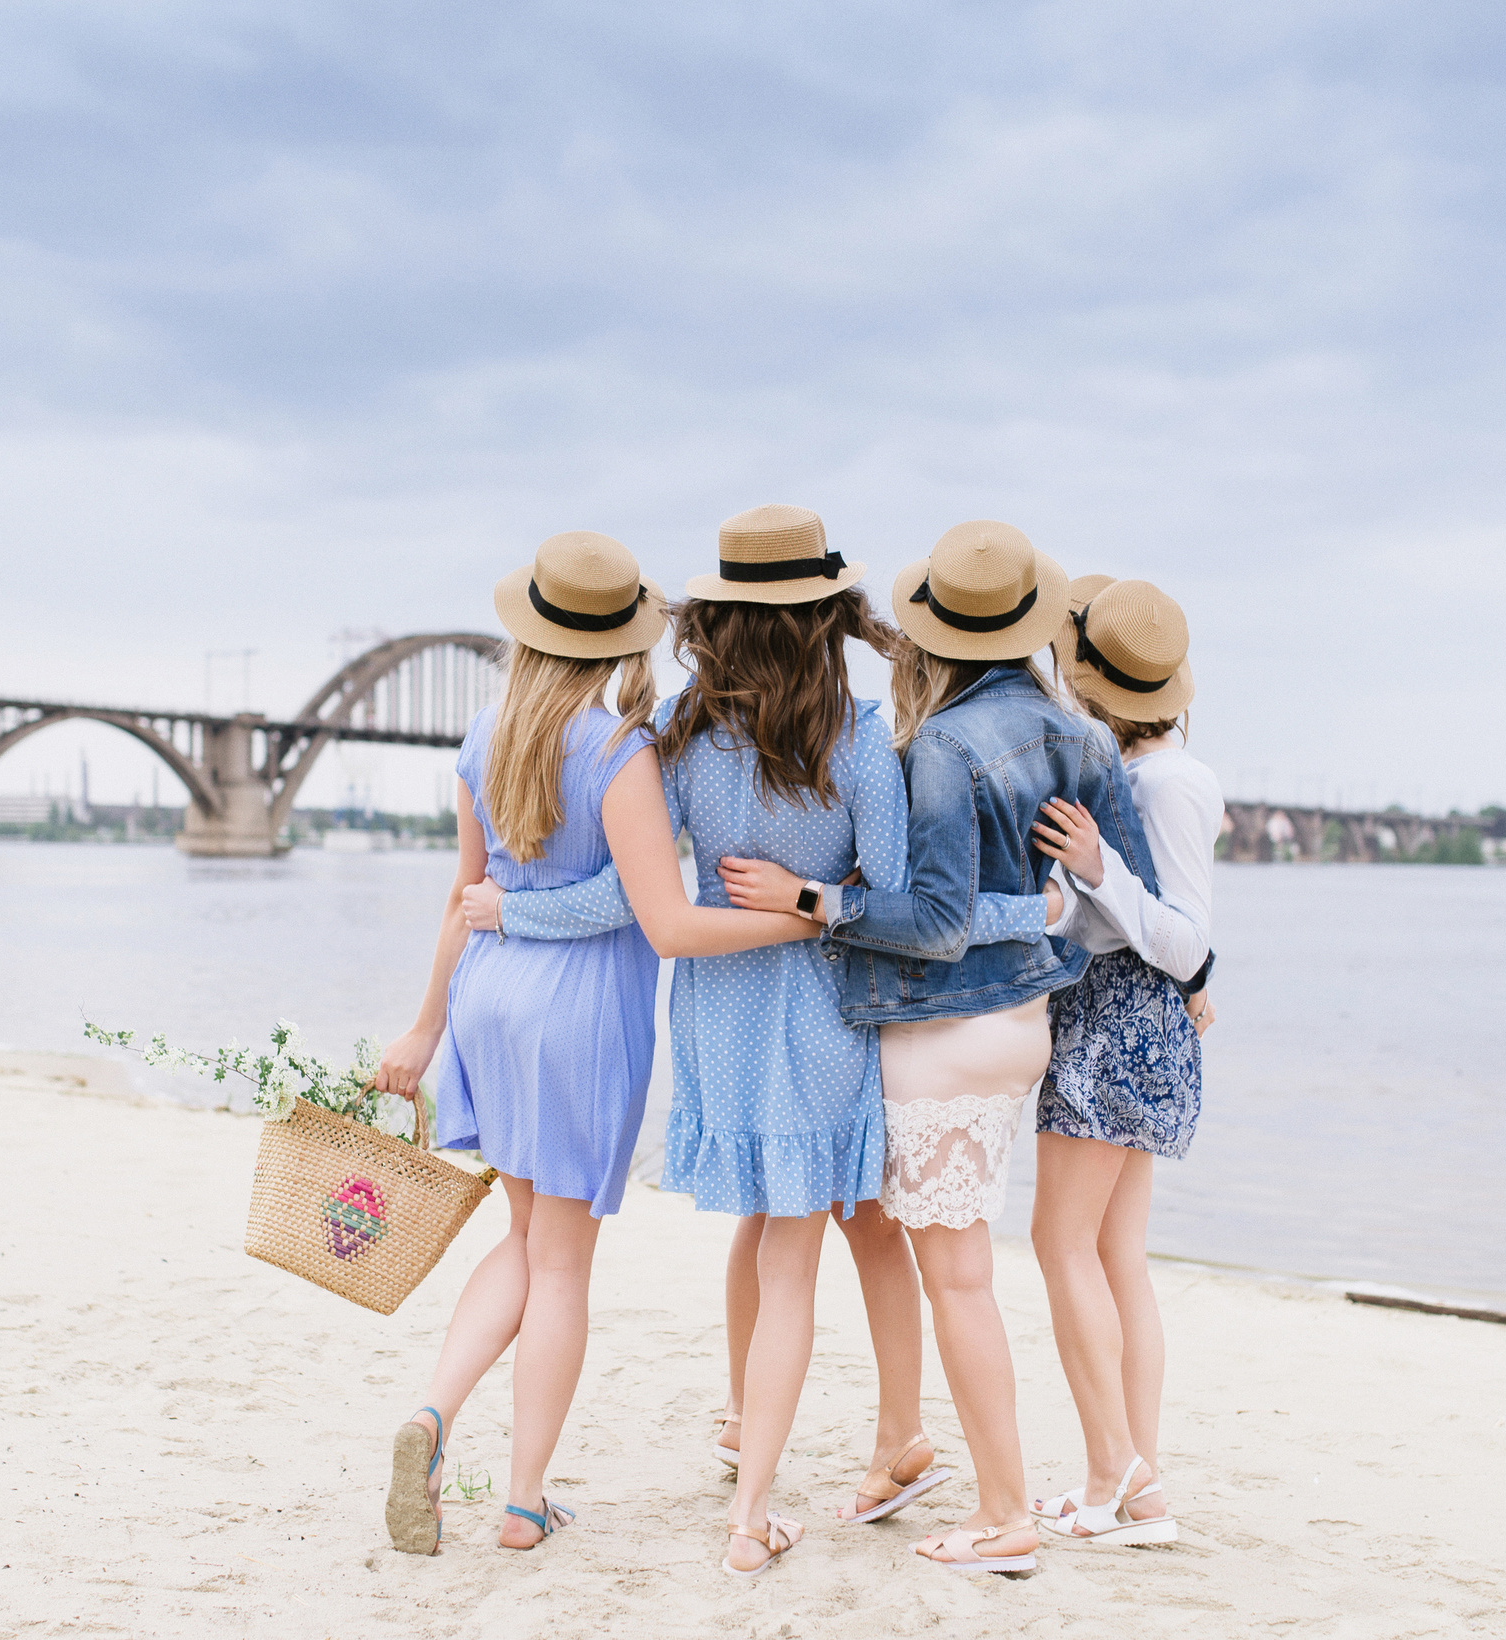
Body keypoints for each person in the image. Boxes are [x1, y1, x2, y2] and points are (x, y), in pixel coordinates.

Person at [463, 504, 1061, 1575]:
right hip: (821, 1010)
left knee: (757, 1229)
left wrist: (512, 912)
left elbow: (627, 896)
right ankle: (750, 1514)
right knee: (794, 1252)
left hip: (713, 1014)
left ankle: (751, 1422)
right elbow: (888, 895)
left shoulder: (678, 730)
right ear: (829, 613)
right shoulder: (859, 738)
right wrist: (831, 899)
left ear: (723, 618)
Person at [722, 520, 1158, 1573]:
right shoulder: (1083, 735)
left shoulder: (944, 747)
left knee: (957, 1277)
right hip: (1023, 1027)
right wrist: (1048, 916)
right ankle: (913, 1447)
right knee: (914, 1243)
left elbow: (930, 921)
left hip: (944, 1029)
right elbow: (1120, 897)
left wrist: (812, 898)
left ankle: (1006, 1515)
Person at [372, 530, 818, 1557]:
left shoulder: (484, 733)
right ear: (622, 640)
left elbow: (464, 894)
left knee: (526, 1240)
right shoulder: (621, 747)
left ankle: (434, 1412)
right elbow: (649, 907)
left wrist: (425, 1021)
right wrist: (804, 916)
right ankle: (524, 1497)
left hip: (487, 998)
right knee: (563, 1262)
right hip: (576, 1013)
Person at [1022, 575, 1219, 1547]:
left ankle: (1118, 1471)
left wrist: (1099, 869)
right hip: (1128, 1024)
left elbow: (1183, 941)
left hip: (1116, 1029)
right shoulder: (1145, 770)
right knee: (1113, 1257)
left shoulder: (1162, 783)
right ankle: (1133, 1488)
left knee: (1061, 1247)